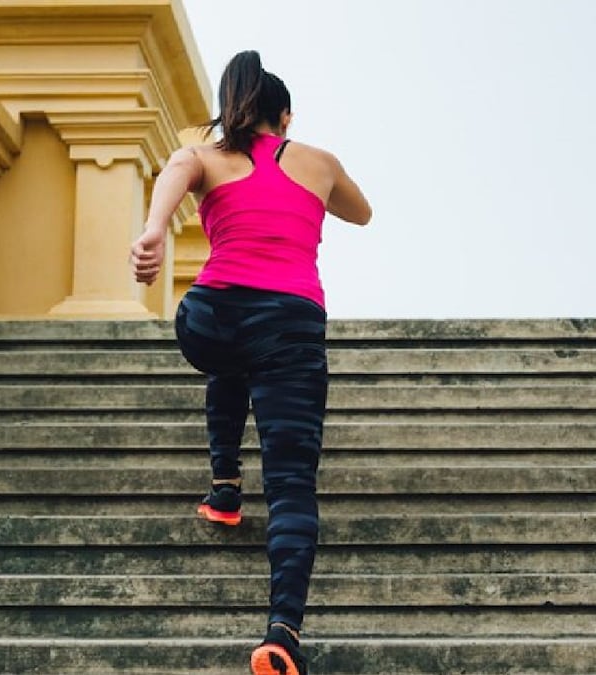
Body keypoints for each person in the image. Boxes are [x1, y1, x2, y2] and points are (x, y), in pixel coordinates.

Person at [130, 49, 371, 675]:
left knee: (231, 358)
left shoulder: (206, 156)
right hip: (289, 323)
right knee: (292, 483)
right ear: (283, 117)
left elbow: (174, 171)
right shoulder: (317, 161)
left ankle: (225, 487)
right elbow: (361, 211)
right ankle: (281, 635)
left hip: (210, 317)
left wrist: (156, 229)